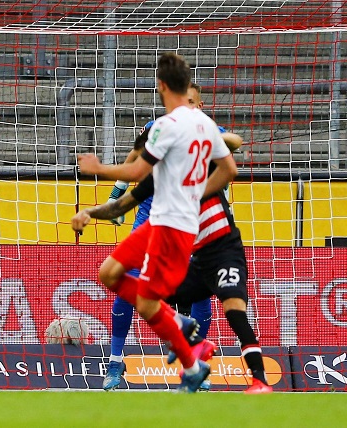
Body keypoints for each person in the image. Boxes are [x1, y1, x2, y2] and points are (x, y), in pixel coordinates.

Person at [72, 53, 238, 393]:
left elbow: (136, 172)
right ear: (184, 86)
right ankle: (182, 327)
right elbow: (230, 170)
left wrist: (97, 167)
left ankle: (190, 362)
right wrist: (196, 194)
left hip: (172, 228)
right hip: (158, 221)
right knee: (109, 273)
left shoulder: (166, 126)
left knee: (147, 303)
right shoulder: (204, 126)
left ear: (161, 86)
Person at [79, 143, 273, 394]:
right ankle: (179, 343)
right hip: (176, 240)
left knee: (230, 307)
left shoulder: (202, 155)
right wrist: (101, 203)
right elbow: (131, 177)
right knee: (140, 294)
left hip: (215, 247)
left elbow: (231, 151)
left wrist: (211, 137)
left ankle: (249, 376)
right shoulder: (156, 163)